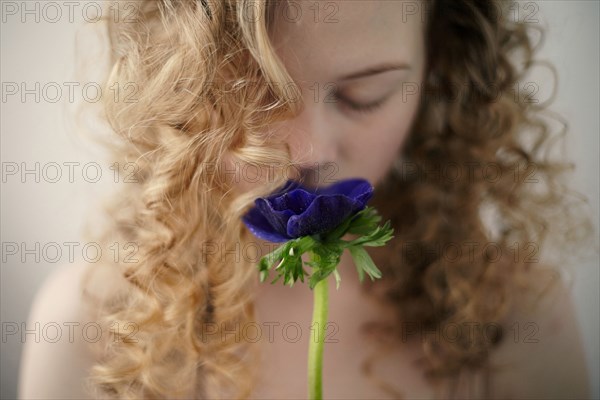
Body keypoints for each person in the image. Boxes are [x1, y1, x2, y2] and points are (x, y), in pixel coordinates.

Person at [18, 0, 594, 398]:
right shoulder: (90, 330)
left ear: (441, 67)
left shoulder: (515, 321)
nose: (309, 150)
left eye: (364, 95)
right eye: (260, 95)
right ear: (176, 85)